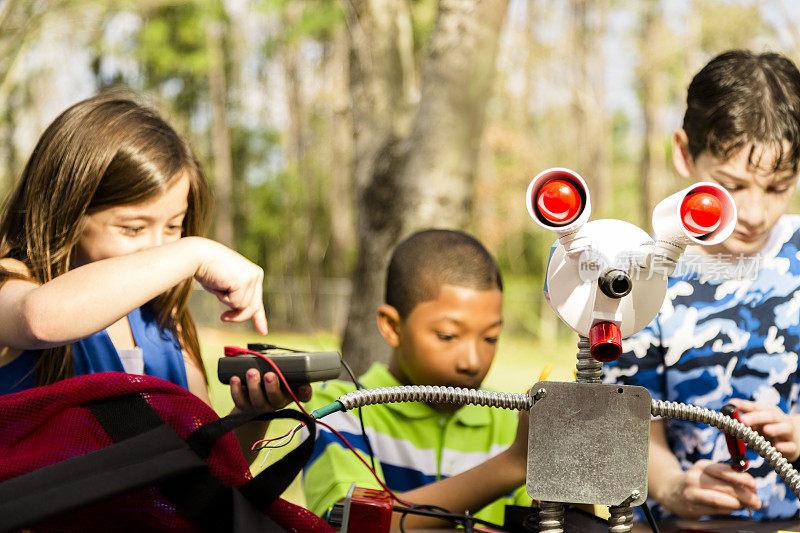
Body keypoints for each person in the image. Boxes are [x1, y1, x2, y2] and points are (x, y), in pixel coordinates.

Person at [0, 92, 310, 462]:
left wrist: (251, 414)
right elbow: (41, 319)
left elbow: (209, 471)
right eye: (132, 228)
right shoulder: (13, 284)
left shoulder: (164, 320)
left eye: (174, 226)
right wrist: (194, 251)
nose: (159, 249)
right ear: (66, 213)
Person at [605, 50, 800, 521]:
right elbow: (629, 424)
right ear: (684, 152)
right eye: (731, 187)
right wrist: (674, 488)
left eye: (778, 187)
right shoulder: (635, 275)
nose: (754, 214)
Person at [302, 229, 532, 529]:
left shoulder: (511, 426)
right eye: (447, 336)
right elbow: (353, 522)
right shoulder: (339, 411)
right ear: (392, 326)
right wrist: (513, 465)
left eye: (490, 337)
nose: (472, 361)